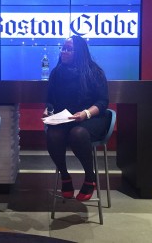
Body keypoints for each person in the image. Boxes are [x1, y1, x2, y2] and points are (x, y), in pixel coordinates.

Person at [44, 35, 110, 201]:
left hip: (91, 119)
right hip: (66, 119)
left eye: (69, 49)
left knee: (77, 133)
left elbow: (103, 101)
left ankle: (90, 177)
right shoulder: (57, 72)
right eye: (63, 48)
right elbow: (51, 99)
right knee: (53, 133)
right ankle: (65, 177)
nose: (64, 52)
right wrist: (49, 110)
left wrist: (85, 113)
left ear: (79, 52)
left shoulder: (94, 72)